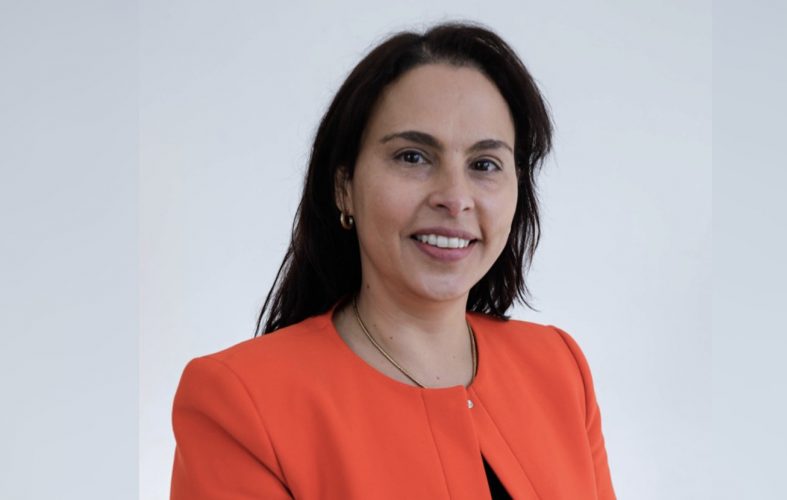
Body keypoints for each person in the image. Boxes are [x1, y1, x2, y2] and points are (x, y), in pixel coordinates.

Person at [170, 21, 616, 499]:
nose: (454, 198)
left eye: (484, 164)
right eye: (412, 157)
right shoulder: (240, 402)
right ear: (344, 186)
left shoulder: (558, 368)